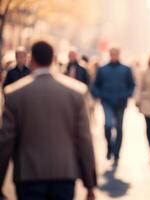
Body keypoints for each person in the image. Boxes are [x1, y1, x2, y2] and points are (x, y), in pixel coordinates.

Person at [0, 41, 96, 200]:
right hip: (64, 174)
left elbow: (5, 141)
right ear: (53, 59)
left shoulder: (14, 94)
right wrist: (90, 184)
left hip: (28, 175)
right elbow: (84, 139)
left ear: (32, 60)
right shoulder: (76, 93)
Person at [91, 47, 135, 166]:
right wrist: (100, 95)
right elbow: (95, 86)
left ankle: (116, 153)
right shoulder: (102, 69)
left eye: (116, 53)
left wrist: (126, 95)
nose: (114, 55)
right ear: (109, 55)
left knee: (119, 128)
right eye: (112, 54)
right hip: (107, 102)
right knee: (108, 126)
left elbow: (132, 85)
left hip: (121, 103)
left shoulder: (126, 69)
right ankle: (109, 147)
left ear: (119, 54)